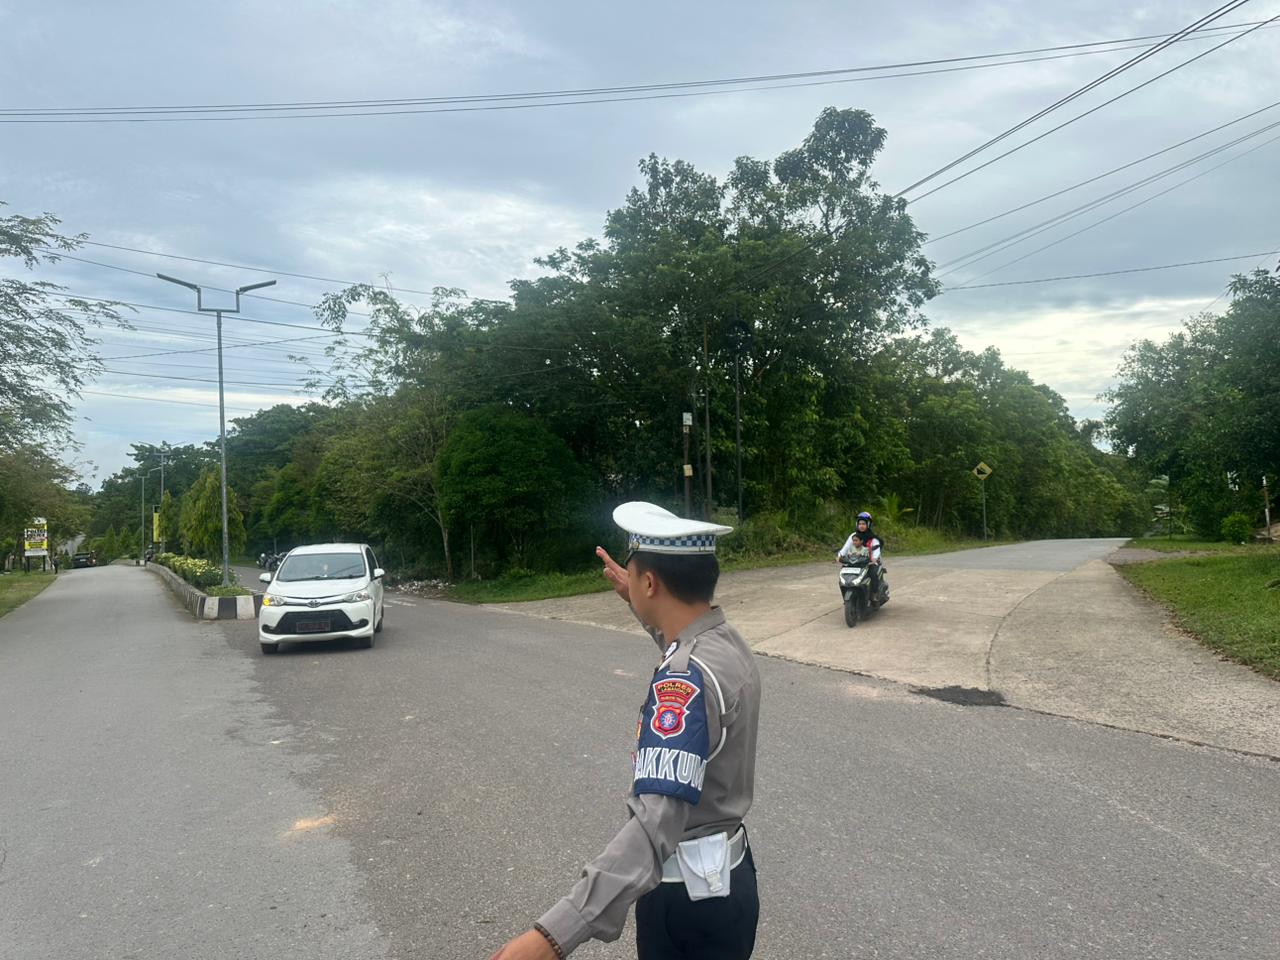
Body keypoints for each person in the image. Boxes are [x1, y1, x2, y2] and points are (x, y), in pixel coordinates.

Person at [490, 501, 763, 960]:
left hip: (684, 906)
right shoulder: (726, 643)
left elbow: (655, 825)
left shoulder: (684, 681)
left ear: (651, 582)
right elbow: (685, 645)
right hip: (730, 884)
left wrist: (551, 938)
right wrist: (641, 604)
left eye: (636, 576)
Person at [837, 511, 887, 602]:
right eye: (859, 523)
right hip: (854, 561)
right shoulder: (853, 536)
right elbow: (845, 548)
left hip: (869, 563)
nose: (861, 525)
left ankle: (874, 594)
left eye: (864, 523)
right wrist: (839, 556)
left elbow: (876, 552)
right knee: (843, 575)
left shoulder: (874, 539)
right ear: (857, 524)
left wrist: (874, 559)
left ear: (868, 524)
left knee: (873, 574)